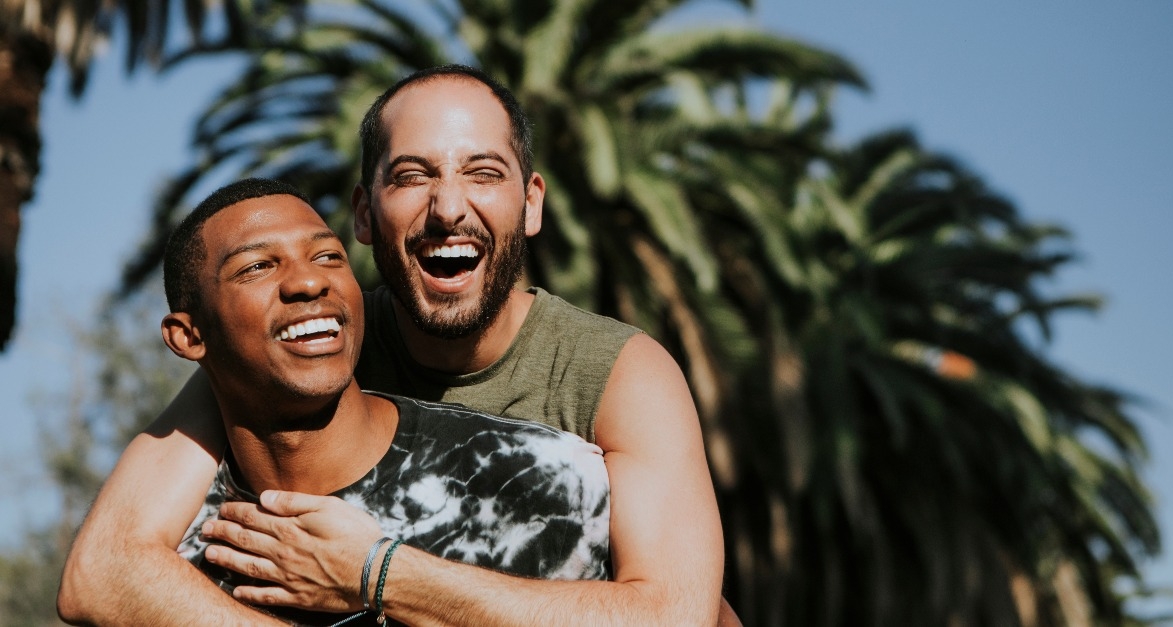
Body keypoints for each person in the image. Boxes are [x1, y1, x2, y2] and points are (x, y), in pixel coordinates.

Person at [58, 65, 726, 625]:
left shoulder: (615, 373)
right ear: (365, 214)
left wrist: (378, 571)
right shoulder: (311, 345)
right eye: (412, 176)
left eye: (483, 173)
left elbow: (676, 613)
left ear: (531, 203)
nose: (448, 208)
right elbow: (104, 568)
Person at [160, 178, 612, 625]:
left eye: (328, 257)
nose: (308, 280)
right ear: (188, 336)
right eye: (257, 266)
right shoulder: (171, 560)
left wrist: (379, 574)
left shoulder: (535, 481)